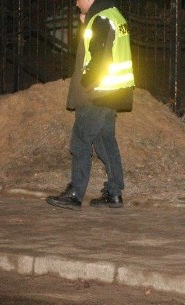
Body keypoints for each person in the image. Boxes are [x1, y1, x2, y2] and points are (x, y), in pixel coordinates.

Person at [47, 0, 135, 210]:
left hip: (98, 92)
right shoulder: (114, 15)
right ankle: (114, 193)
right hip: (114, 91)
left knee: (80, 140)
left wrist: (87, 81)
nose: (76, 3)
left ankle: (75, 193)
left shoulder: (100, 18)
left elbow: (98, 53)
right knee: (106, 141)